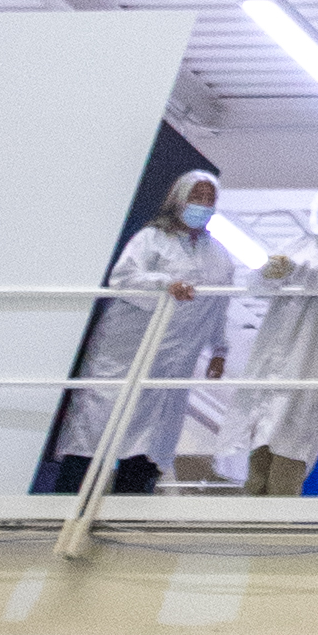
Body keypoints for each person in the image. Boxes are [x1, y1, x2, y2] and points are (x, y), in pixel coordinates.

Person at [63, 171, 226, 490]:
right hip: (125, 355)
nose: (203, 204)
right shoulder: (151, 239)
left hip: (173, 364)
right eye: (197, 197)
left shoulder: (217, 255)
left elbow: (218, 304)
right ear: (179, 198)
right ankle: (65, 505)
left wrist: (219, 350)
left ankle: (126, 513)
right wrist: (164, 285)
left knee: (150, 442)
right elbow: (122, 278)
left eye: (210, 199)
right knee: (97, 431)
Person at [223, 184, 318, 491]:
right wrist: (266, 273)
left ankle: (278, 511)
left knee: (295, 429)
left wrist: (298, 271)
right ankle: (251, 507)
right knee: (263, 425)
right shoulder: (298, 244)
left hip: (317, 351)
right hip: (277, 349)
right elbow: (257, 287)